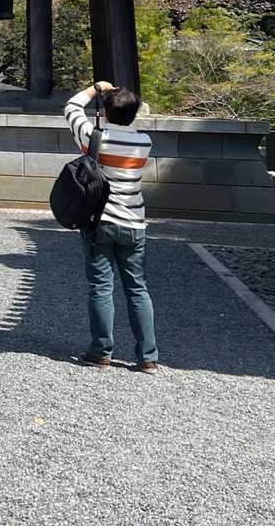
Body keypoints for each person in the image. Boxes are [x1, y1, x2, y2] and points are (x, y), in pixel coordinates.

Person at [65, 80, 158, 372]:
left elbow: (71, 107)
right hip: (134, 223)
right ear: (134, 113)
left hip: (100, 222)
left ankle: (101, 351)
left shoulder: (93, 137)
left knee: (101, 288)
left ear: (105, 112)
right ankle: (147, 357)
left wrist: (96, 88)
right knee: (138, 289)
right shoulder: (144, 142)